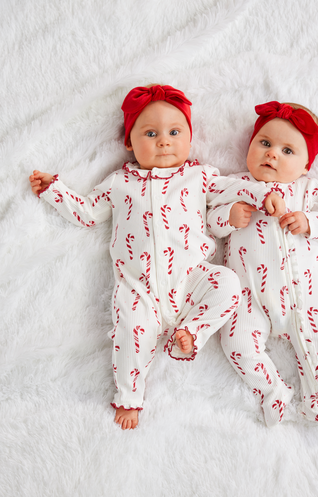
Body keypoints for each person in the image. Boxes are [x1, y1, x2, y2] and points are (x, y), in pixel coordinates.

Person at [29, 85, 284, 430]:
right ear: (129, 142)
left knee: (227, 283)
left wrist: (263, 193)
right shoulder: (119, 182)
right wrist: (54, 190)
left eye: (174, 132)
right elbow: (88, 213)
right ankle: (130, 397)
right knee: (129, 332)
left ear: (189, 139)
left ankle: (191, 333)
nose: (164, 141)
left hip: (191, 280)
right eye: (151, 133)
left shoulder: (199, 176)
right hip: (140, 289)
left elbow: (232, 187)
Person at [207, 101, 318, 428]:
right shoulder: (237, 186)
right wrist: (228, 217)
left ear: (305, 165)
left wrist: (310, 221)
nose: (272, 154)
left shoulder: (307, 190)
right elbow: (210, 223)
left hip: (306, 297)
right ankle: (272, 389)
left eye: (287, 150)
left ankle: (317, 399)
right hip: (251, 296)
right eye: (265, 143)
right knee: (236, 342)